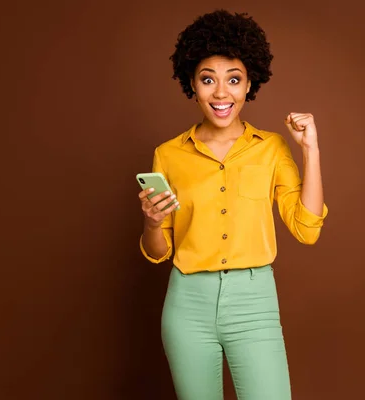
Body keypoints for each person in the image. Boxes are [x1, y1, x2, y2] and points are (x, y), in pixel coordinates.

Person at [137, 9, 328, 400]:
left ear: (249, 84)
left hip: (254, 304)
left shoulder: (272, 148)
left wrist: (310, 150)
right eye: (208, 79)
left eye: (234, 80)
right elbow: (159, 253)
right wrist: (152, 222)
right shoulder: (168, 154)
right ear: (192, 83)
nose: (221, 93)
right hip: (187, 304)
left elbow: (306, 229)